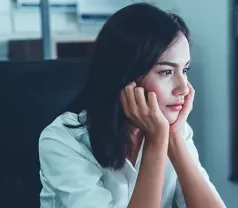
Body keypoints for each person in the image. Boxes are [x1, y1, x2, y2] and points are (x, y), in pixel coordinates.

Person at [38, 3, 225, 208]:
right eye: (166, 72)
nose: (184, 89)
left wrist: (173, 136)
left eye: (185, 70)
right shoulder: (63, 139)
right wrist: (156, 142)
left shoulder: (173, 128)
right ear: (126, 76)